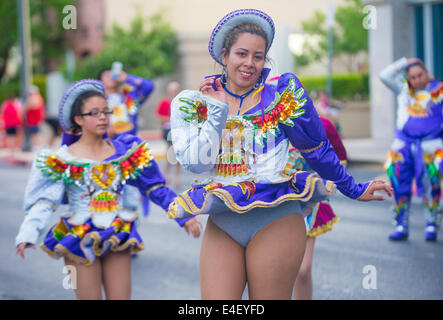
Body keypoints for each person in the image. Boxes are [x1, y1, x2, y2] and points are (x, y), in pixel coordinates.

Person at [167, 9, 392, 300]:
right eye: (242, 54)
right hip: (224, 221)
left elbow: (317, 150)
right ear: (225, 56)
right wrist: (218, 111)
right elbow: (196, 164)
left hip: (276, 218)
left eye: (258, 56)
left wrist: (353, 188)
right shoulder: (196, 104)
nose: (250, 63)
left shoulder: (283, 97)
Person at [15, 79, 202, 300]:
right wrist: (28, 232)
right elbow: (45, 201)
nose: (103, 117)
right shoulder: (62, 159)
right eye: (94, 113)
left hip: (117, 231)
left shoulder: (125, 152)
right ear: (78, 119)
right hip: (77, 237)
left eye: (106, 111)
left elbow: (154, 187)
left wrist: (184, 215)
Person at [380, 57, 443, 241]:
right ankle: (401, 224)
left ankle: (432, 224)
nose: (416, 80)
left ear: (427, 74)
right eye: (412, 77)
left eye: (419, 75)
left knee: (432, 184)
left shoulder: (439, 91)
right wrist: (405, 62)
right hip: (402, 146)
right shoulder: (403, 90)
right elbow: (384, 76)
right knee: (398, 184)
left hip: (431, 147)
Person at [288, 117, 348, 300]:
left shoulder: (323, 124)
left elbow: (341, 158)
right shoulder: (269, 123)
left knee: (302, 270)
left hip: (310, 203)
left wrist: (326, 180)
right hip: (276, 202)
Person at [98, 66, 155, 217]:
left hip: (129, 148)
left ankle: (130, 223)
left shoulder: (128, 96)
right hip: (107, 150)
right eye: (106, 74)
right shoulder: (97, 101)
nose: (111, 76)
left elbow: (149, 86)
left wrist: (126, 77)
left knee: (131, 192)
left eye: (112, 74)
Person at [156, 81, 182, 188]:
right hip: (169, 129)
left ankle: (175, 177)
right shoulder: (165, 102)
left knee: (179, 153)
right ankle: (166, 174)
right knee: (171, 152)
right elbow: (159, 117)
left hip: (180, 130)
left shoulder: (181, 102)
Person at [1, 92, 23, 161]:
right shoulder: (14, 106)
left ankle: (11, 151)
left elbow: (3, 113)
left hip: (8, 124)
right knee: (13, 138)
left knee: (10, 138)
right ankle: (12, 151)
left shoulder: (5, 105)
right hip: (13, 124)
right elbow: (18, 115)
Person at [24, 85, 46, 151]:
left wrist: (27, 106)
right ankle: (35, 146)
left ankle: (36, 146)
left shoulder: (35, 98)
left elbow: (33, 106)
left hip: (35, 120)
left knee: (35, 134)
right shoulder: (35, 97)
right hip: (33, 120)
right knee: (34, 133)